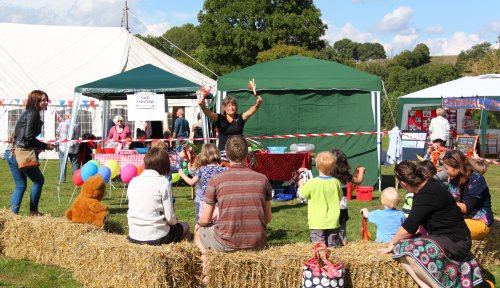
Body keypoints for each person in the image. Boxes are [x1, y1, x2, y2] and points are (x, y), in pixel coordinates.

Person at [382, 161, 482, 288]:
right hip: (447, 237)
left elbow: (408, 228)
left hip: (456, 241)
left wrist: (392, 242)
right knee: (400, 248)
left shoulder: (425, 195)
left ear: (403, 183)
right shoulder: (429, 185)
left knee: (410, 251)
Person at [194, 135, 272, 285]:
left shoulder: (216, 180)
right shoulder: (263, 179)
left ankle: (206, 275)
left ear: (226, 155)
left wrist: (199, 224)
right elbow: (267, 218)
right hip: (257, 241)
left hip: (226, 242)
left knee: (198, 233)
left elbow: (205, 219)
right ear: (247, 154)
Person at [5, 90, 55, 215]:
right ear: (35, 101)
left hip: (11, 152)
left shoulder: (28, 113)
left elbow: (25, 136)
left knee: (20, 186)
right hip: (21, 153)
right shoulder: (33, 113)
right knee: (39, 181)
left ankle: (12, 216)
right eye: (42, 100)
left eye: (46, 100)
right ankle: (33, 212)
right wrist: (45, 146)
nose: (45, 102)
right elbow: (28, 137)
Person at [127, 147, 190, 245]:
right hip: (157, 236)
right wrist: (176, 221)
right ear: (164, 165)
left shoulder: (133, 181)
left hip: (134, 234)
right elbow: (170, 218)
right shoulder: (163, 182)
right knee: (186, 226)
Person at [442, 150, 494, 240]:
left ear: (457, 167)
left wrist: (441, 200)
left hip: (478, 221)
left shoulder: (476, 180)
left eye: (446, 168)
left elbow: (466, 208)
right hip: (460, 219)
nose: (445, 171)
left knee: (443, 228)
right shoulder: (453, 179)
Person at [298, 151, 343, 248]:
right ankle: (331, 263)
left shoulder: (312, 183)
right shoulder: (336, 182)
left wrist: (301, 183)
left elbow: (301, 195)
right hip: (333, 221)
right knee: (332, 248)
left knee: (319, 248)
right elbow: (340, 197)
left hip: (317, 222)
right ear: (333, 166)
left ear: (317, 166)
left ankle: (320, 262)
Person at [178, 143, 226, 224]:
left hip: (205, 202)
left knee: (201, 225)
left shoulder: (202, 170)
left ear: (203, 155)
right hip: (218, 202)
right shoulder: (223, 169)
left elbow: (191, 182)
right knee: (216, 225)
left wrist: (182, 174)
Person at [198, 95, 262, 151]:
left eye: (233, 105)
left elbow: (250, 111)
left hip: (239, 152)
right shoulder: (219, 118)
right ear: (224, 108)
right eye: (228, 105)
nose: (231, 107)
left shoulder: (240, 117)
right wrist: (203, 106)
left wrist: (257, 104)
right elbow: (209, 113)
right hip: (224, 152)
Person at [330, 148, 365, 245]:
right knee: (342, 231)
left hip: (330, 207)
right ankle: (343, 244)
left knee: (330, 229)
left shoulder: (328, 175)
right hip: (342, 207)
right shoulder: (346, 176)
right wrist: (361, 170)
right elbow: (359, 180)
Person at [56, 111, 80, 182]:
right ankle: (76, 179)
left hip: (63, 147)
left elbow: (57, 133)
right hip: (74, 147)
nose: (64, 117)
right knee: (75, 164)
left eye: (65, 115)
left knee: (63, 163)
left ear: (67, 116)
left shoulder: (62, 124)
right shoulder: (77, 125)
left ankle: (62, 179)